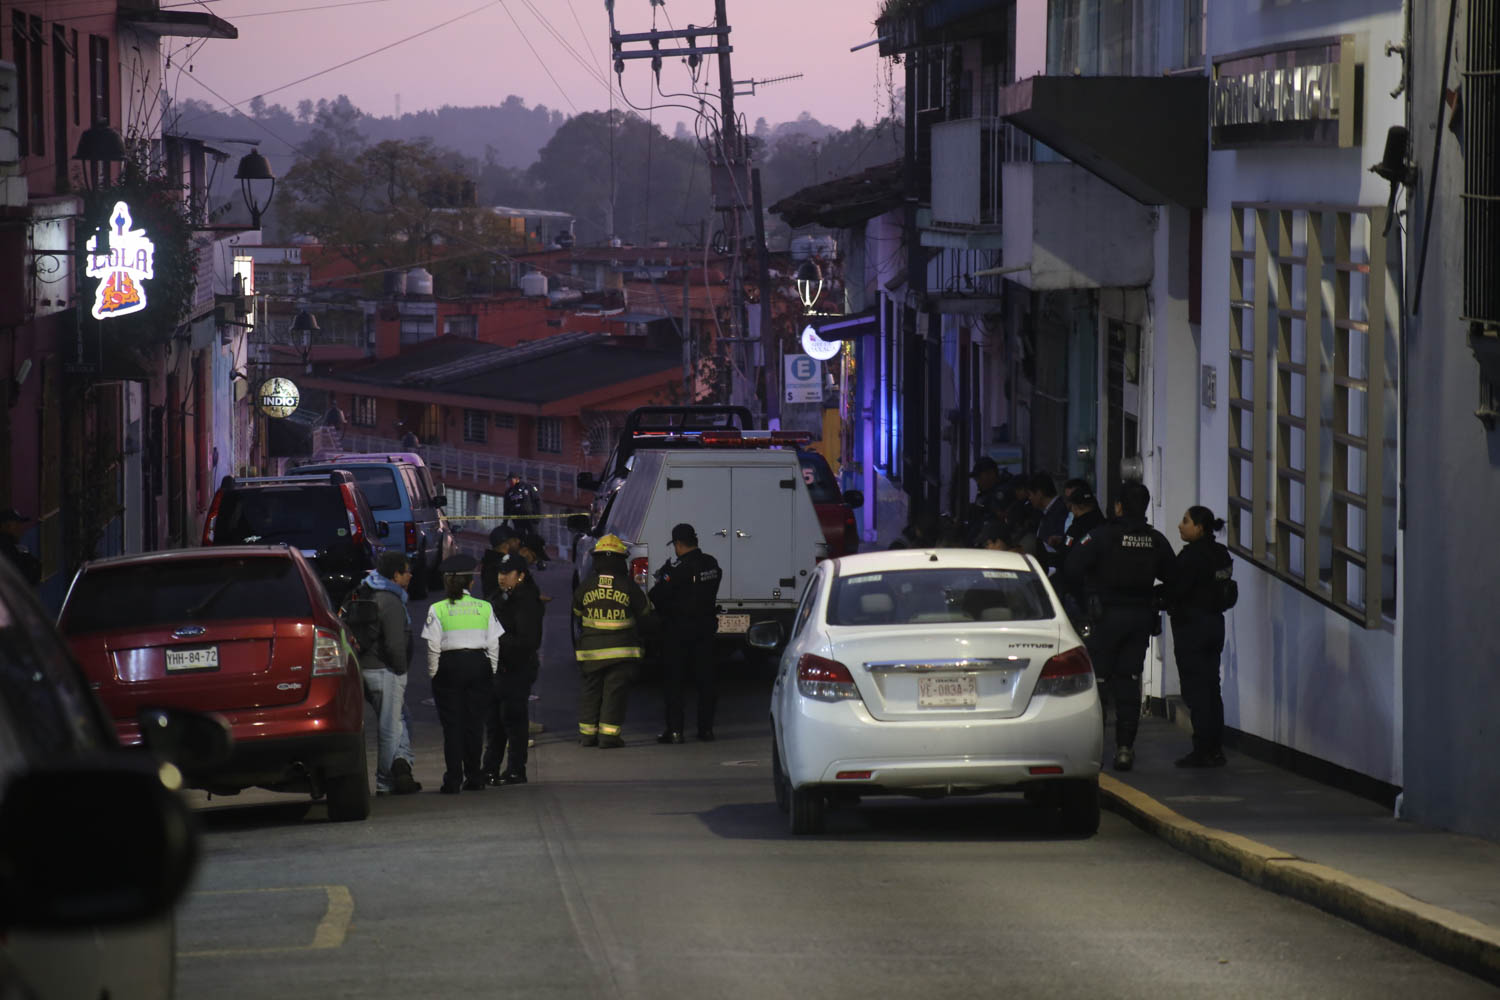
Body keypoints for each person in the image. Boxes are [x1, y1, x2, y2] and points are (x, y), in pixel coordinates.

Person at [1065, 481, 1176, 772]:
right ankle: (1125, 748)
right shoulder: (1156, 540)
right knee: (1129, 680)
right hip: (1139, 619)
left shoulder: (1101, 537)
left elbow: (1072, 568)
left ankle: (1098, 748)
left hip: (1104, 618)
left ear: (1118, 506)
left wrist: (1087, 597)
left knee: (1099, 683)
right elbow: (1173, 577)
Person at [420, 554, 503, 793]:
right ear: (471, 583)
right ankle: (475, 776)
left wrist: (435, 674)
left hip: (450, 666)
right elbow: (494, 644)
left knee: (452, 726)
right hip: (479, 664)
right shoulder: (484, 607)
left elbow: (433, 647)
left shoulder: (437, 609)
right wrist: (491, 671)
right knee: (475, 724)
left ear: (447, 583)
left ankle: (453, 778)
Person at [1162, 506, 1234, 768]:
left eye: (1185, 521)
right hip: (1215, 624)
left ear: (1200, 528)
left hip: (1191, 627)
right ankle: (1215, 748)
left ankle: (1202, 749)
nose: (1181, 526)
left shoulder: (1191, 557)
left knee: (1195, 691)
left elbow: (1177, 590)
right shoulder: (1221, 554)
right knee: (1212, 688)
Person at [347, 552, 421, 796]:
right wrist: (400, 669)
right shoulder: (390, 601)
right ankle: (385, 780)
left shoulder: (366, 590)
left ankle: (402, 765)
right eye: (407, 571)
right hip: (384, 671)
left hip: (366, 668)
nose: (410, 575)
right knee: (390, 726)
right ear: (396, 575)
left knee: (401, 718)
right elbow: (395, 645)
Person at [572, 534, 652, 748]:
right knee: (613, 693)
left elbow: (577, 612)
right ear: (620, 561)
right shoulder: (628, 587)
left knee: (591, 691)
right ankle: (608, 736)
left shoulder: (586, 586)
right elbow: (645, 614)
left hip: (590, 653)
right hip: (621, 652)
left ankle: (587, 735)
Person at [649, 523, 723, 743]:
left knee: (674, 682)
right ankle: (706, 730)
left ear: (678, 544)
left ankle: (675, 731)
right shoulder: (711, 563)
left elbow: (657, 595)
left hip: (678, 631)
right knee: (706, 682)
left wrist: (664, 577)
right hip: (705, 629)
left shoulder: (676, 569)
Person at [481, 552, 546, 784]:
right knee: (494, 721)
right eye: (500, 572)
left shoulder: (526, 602)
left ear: (520, 576)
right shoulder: (498, 597)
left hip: (516, 669)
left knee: (513, 721)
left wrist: (496, 640)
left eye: (507, 573)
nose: (501, 577)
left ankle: (516, 769)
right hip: (497, 669)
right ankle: (489, 769)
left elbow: (528, 642)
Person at [479, 524, 522, 601]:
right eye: (514, 540)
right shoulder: (500, 565)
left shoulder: (491, 562)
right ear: (505, 544)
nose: (518, 542)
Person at [0, 509, 40, 587]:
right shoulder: (7, 548)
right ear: (4, 526)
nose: (19, 529)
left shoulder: (18, 548)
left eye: (20, 524)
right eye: (15, 525)